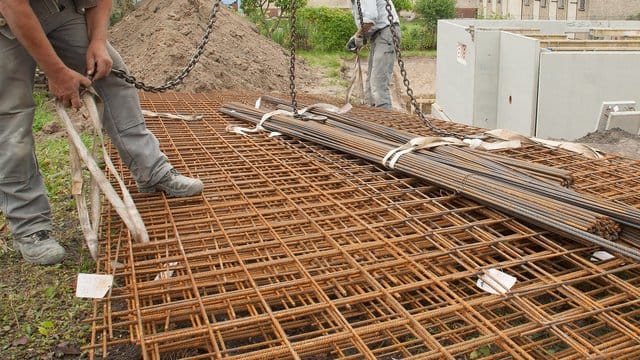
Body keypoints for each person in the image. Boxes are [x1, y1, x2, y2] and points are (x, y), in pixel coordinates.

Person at [0, 0, 204, 265]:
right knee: (11, 117)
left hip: (57, 8)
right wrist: (57, 72)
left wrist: (97, 41)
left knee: (111, 75)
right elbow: (12, 5)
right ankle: (29, 226)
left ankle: (151, 171)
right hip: (5, 22)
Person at [346, 0, 400, 109]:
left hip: (386, 33)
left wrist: (358, 36)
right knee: (370, 84)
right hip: (378, 35)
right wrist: (357, 37)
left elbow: (370, 20)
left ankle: (384, 121)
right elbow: (366, 23)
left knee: (378, 83)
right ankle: (373, 116)